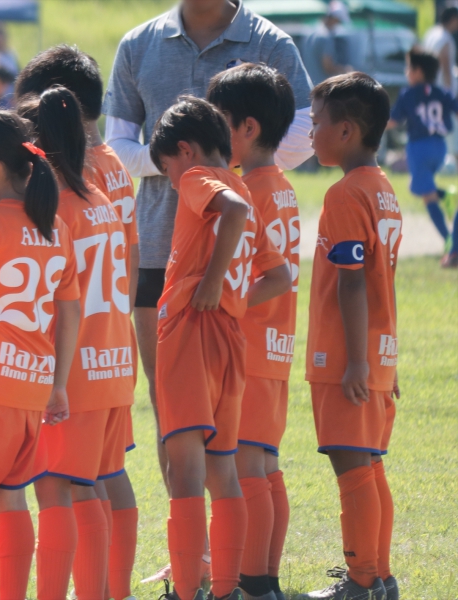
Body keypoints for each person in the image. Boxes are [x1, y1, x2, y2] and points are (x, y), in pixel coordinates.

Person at [102, 3, 313, 551]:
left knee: (204, 442)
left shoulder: (269, 43)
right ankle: (224, 571)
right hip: (164, 256)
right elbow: (119, 147)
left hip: (210, 297)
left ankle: (209, 566)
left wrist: (204, 170)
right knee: (199, 433)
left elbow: (302, 132)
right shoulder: (139, 43)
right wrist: (184, 161)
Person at [149, 96, 291, 600]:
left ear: (185, 151)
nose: (172, 182)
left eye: (167, 168)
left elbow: (230, 211)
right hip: (230, 336)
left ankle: (188, 589)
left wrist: (212, 284)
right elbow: (280, 276)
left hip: (190, 332)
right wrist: (232, 297)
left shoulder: (199, 179)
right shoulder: (242, 185)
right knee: (222, 467)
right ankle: (227, 589)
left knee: (185, 466)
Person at [14, 44, 140, 600]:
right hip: (113, 348)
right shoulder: (109, 177)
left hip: (76, 361)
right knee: (103, 478)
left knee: (62, 487)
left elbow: (50, 292)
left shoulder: (55, 197)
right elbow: (130, 258)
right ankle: (114, 590)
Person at [0, 110, 81, 600]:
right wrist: (59, 384)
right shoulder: (57, 228)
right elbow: (70, 313)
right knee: (12, 500)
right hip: (33, 387)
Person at [298, 72, 400, 600]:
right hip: (377, 352)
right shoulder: (383, 189)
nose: (310, 132)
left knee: (353, 468)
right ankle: (380, 578)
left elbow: (354, 282)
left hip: (347, 357)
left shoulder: (345, 194)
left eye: (316, 122)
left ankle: (362, 582)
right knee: (369, 467)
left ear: (346, 131)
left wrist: (356, 361)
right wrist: (383, 359)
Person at [207, 63, 298, 600]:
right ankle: (265, 579)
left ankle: (255, 582)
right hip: (276, 346)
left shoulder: (245, 192)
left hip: (251, 347)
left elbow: (259, 277)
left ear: (247, 127)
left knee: (247, 469)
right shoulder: (282, 186)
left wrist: (224, 302)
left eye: (219, 120)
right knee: (264, 466)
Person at [389, 48, 458, 268]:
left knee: (426, 194)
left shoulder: (408, 94)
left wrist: (373, 125)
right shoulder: (442, 92)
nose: (406, 72)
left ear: (418, 71)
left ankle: (449, 240)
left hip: (418, 148)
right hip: (439, 148)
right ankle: (446, 195)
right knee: (419, 188)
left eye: (408, 67)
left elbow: (394, 120)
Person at [302, 1, 353, 86]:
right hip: (321, 87)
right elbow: (327, 66)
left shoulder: (310, 34)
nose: (338, 24)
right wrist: (345, 71)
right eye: (339, 21)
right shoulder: (326, 37)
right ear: (334, 18)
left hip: (309, 85)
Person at [423, 6, 458, 95]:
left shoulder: (431, 33)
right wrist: (449, 92)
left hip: (428, 85)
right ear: (453, 18)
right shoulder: (445, 37)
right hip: (441, 88)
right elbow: (445, 68)